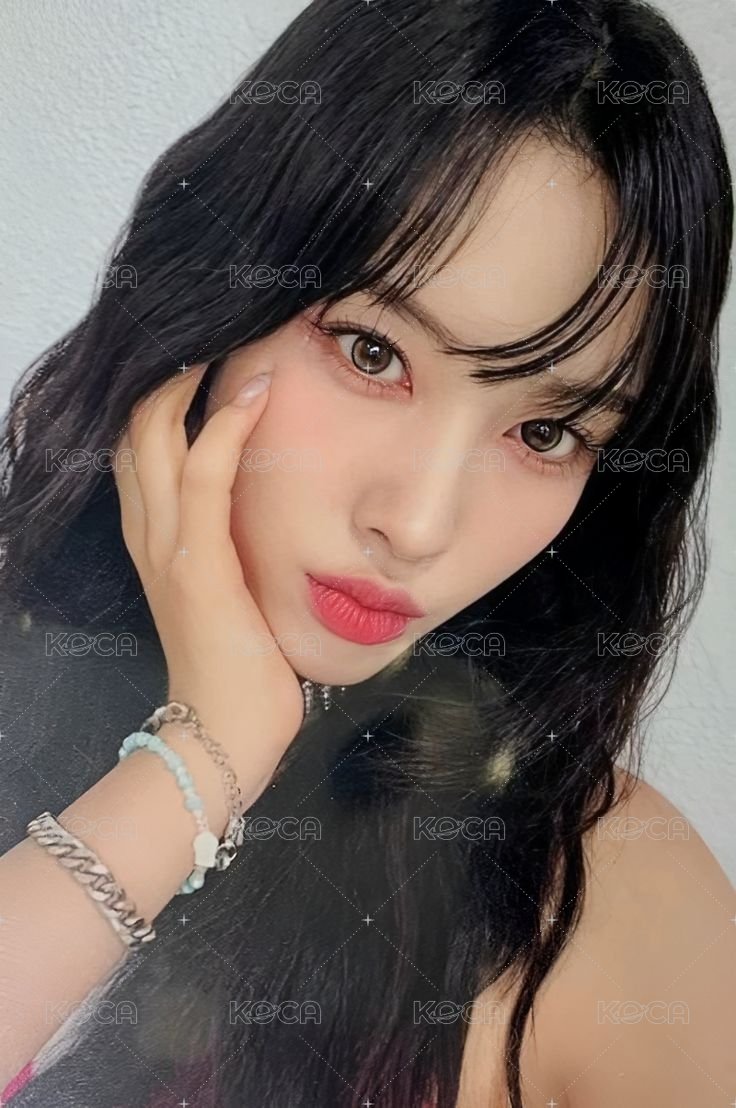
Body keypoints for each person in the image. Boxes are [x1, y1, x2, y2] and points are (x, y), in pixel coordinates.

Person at [0, 0, 733, 1105]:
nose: (420, 523)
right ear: (214, 301)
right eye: (371, 352)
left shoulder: (602, 896)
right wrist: (205, 755)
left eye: (546, 433)